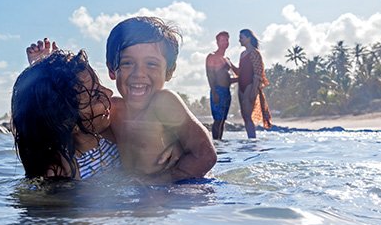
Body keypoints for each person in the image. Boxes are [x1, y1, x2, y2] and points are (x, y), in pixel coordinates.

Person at [106, 16, 217, 180]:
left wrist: (166, 183)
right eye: (127, 63)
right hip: (138, 194)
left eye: (151, 64)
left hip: (180, 191)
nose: (139, 74)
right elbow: (71, 119)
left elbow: (206, 155)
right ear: (112, 70)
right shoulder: (112, 110)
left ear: (169, 71)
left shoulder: (163, 103)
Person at [11, 49, 122, 181]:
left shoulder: (110, 132)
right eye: (96, 96)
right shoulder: (65, 169)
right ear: (68, 122)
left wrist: (44, 67)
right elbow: (40, 119)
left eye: (101, 85)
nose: (109, 92)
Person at [229, 29, 272, 138]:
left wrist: (254, 90)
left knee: (248, 116)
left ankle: (252, 141)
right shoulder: (243, 54)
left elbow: (258, 73)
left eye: (241, 37)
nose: (239, 40)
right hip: (241, 86)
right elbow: (239, 72)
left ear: (248, 38)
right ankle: (250, 140)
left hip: (250, 86)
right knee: (245, 117)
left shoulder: (255, 53)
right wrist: (230, 64)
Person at [205, 31, 236, 140]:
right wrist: (214, 92)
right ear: (217, 42)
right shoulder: (212, 56)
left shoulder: (227, 59)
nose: (225, 42)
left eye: (227, 40)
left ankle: (220, 144)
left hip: (227, 92)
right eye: (222, 40)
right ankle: (215, 145)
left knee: (223, 120)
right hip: (217, 91)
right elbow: (210, 75)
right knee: (217, 120)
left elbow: (234, 75)